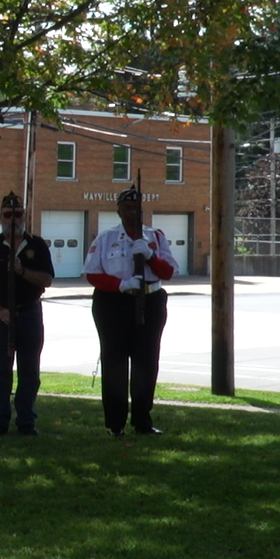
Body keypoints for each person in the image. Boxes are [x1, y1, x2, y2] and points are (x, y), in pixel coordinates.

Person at [84, 187, 179, 436]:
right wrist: (120, 285)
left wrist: (149, 256)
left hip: (150, 301)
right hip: (114, 303)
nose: (132, 212)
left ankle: (142, 421)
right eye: (126, 207)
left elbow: (168, 272)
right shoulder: (106, 238)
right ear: (118, 211)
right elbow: (92, 273)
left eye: (136, 207)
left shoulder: (155, 237)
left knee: (146, 362)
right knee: (114, 362)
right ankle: (115, 424)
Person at [0, 192, 53, 436]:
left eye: (17, 214)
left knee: (29, 373)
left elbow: (47, 279)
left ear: (24, 216)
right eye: (8, 215)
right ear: (0, 218)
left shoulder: (37, 245)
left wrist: (22, 271)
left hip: (29, 314)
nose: (13, 219)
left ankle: (26, 421)